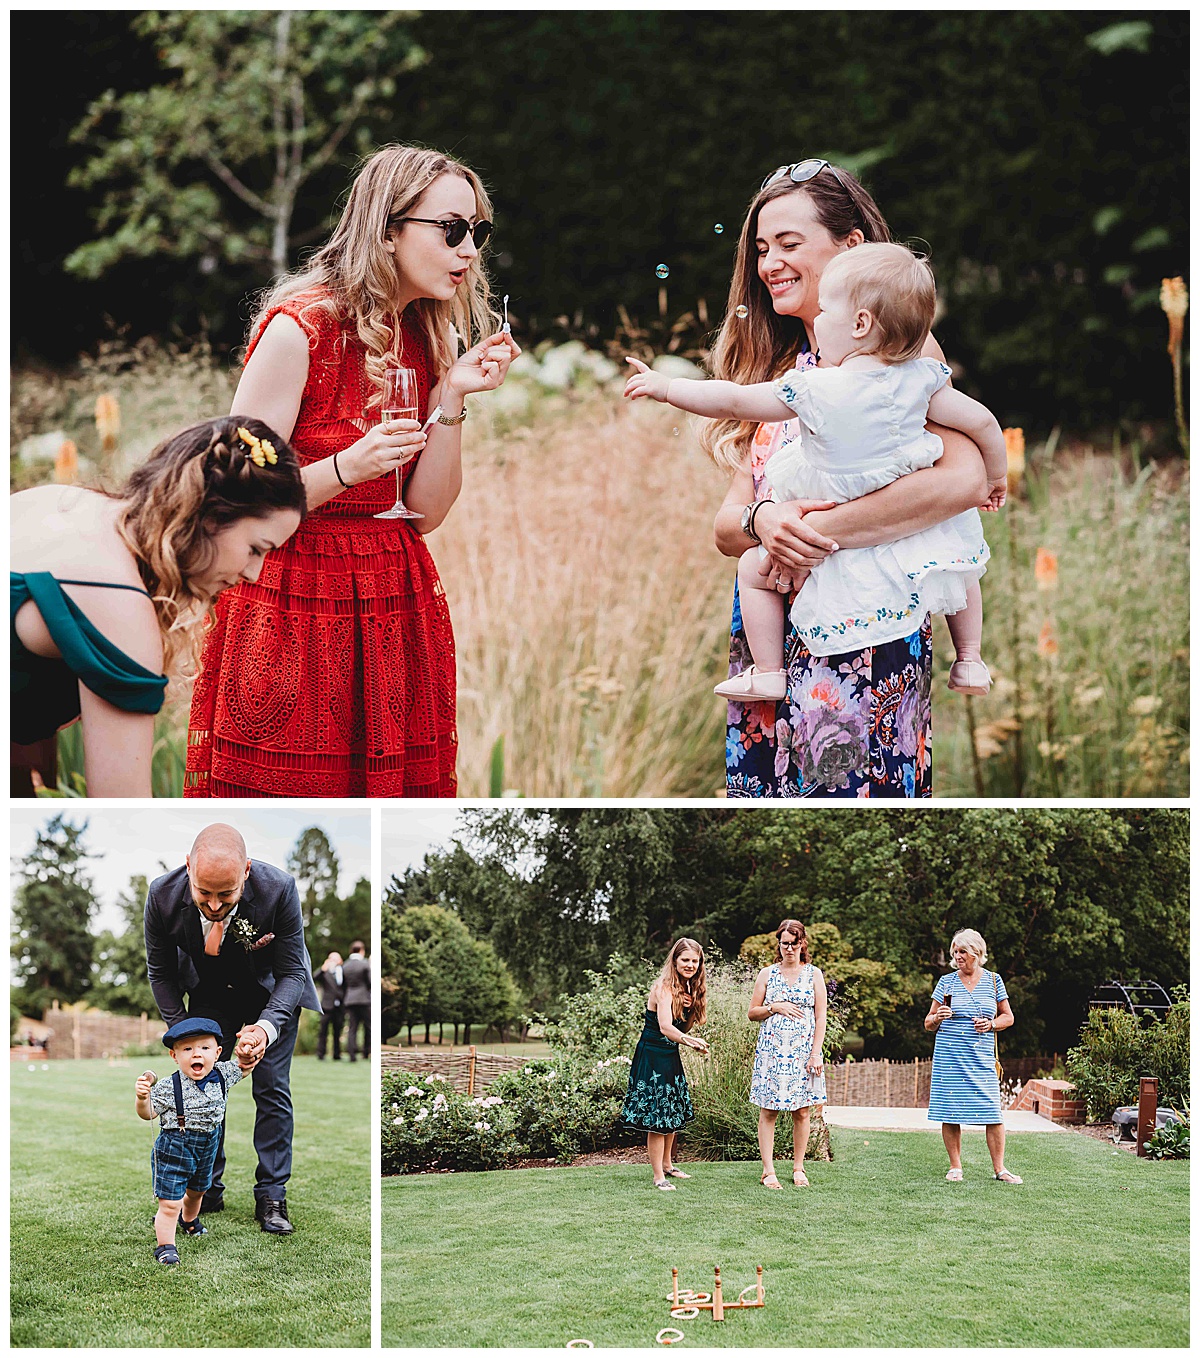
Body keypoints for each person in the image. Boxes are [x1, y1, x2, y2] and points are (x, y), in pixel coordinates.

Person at [184, 143, 520, 798]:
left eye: (477, 232)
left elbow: (423, 514)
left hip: (393, 603)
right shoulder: (299, 330)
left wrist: (450, 397)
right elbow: (224, 499)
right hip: (291, 602)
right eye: (452, 230)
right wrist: (344, 468)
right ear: (389, 231)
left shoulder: (428, 335)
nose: (470, 250)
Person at [701, 160, 991, 796]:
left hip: (863, 636)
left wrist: (809, 534)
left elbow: (965, 479)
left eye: (789, 244)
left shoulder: (897, 360)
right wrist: (765, 522)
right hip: (773, 640)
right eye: (761, 248)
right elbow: (728, 527)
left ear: (851, 247)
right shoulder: (783, 366)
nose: (768, 263)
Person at [626, 242, 1006, 701]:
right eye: (762, 248)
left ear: (861, 324)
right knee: (957, 556)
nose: (819, 321)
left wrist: (667, 388)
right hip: (890, 530)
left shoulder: (814, 386)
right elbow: (984, 422)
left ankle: (768, 671)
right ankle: (969, 659)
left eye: (826, 311)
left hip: (825, 511)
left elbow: (733, 400)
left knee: (753, 569)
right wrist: (997, 477)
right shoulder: (923, 381)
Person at [10, 417, 305, 796]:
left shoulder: (60, 502)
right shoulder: (118, 605)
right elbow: (120, 801)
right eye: (256, 549)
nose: (254, 572)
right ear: (209, 516)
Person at [144, 823, 323, 1233]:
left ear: (245, 872)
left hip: (271, 995)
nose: (212, 905)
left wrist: (263, 1029)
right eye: (203, 893)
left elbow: (293, 971)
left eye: (225, 895)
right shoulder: (162, 895)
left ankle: (272, 1196)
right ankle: (206, 1188)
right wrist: (182, 1031)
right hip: (209, 995)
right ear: (189, 867)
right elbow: (161, 972)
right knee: (202, 1083)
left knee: (272, 1088)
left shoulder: (279, 889)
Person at [135, 1017, 253, 1265]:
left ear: (218, 1052)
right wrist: (142, 1098)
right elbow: (148, 1114)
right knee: (170, 1201)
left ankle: (189, 1221)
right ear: (174, 1055)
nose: (196, 1054)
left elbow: (245, 1066)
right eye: (187, 1049)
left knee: (198, 1191)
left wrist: (249, 1048)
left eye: (204, 1048)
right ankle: (165, 1246)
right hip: (175, 1146)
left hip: (209, 1143)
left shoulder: (223, 1074)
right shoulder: (168, 1086)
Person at [925, 928, 1022, 1184]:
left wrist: (990, 1025)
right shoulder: (946, 982)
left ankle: (1000, 1169)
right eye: (955, 952)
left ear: (976, 953)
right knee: (950, 1111)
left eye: (962, 951)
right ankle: (955, 1166)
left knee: (993, 1112)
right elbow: (927, 1022)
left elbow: (1008, 1017)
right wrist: (937, 1018)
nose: (958, 956)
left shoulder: (994, 981)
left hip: (980, 1057)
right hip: (950, 1056)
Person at [621, 939, 710, 1190]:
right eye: (686, 960)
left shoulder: (688, 990)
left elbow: (685, 1025)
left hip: (670, 1054)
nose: (690, 965)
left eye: (695, 961)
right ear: (675, 961)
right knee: (657, 1118)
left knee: (671, 1112)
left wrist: (693, 1007)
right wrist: (690, 1042)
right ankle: (658, 1176)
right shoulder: (663, 988)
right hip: (652, 1056)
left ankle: (669, 1165)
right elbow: (665, 1027)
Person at [748, 919, 828, 1189]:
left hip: (804, 1053)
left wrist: (816, 1053)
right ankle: (768, 1171)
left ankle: (798, 1167)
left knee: (802, 1112)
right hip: (772, 1052)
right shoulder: (767, 974)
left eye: (794, 943)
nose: (790, 949)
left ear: (802, 943)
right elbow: (752, 1013)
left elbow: (821, 1016)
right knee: (768, 1111)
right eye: (785, 944)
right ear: (779, 944)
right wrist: (775, 1006)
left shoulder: (814, 974)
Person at [342, 941, 372, 1063]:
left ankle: (352, 1055)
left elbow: (343, 984)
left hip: (350, 999)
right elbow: (370, 982)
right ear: (362, 950)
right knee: (368, 1026)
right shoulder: (365, 964)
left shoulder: (345, 965)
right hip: (364, 999)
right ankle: (366, 1052)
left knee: (352, 1028)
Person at [315, 951, 346, 1061]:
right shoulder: (325, 972)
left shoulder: (343, 971)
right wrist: (323, 968)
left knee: (337, 1031)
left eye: (336, 958)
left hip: (340, 1006)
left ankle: (337, 1054)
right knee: (323, 1031)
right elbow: (314, 977)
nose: (334, 961)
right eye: (331, 958)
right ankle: (321, 1053)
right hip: (327, 1006)